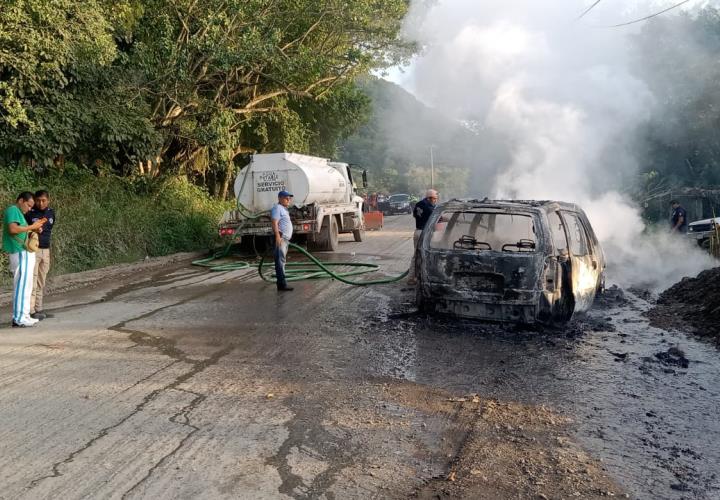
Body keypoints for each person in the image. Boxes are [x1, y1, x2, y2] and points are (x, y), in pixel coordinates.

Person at [2, 192, 45, 327]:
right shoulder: (13, 210)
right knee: (22, 285)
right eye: (28, 205)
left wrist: (35, 230)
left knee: (26, 285)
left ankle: (24, 315)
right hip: (21, 252)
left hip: (24, 252)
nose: (29, 209)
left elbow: (21, 230)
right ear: (21, 200)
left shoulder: (19, 213)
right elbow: (13, 229)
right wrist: (32, 227)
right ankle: (20, 317)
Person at [25, 190, 55, 320]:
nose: (40, 203)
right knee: (33, 281)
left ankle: (39, 309)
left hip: (46, 250)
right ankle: (31, 311)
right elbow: (24, 230)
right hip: (34, 250)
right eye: (38, 200)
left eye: (43, 200)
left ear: (48, 200)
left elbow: (50, 229)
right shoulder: (30, 213)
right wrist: (33, 228)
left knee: (41, 281)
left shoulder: (51, 212)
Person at [407, 189, 439, 285]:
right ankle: (412, 278)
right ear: (430, 198)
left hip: (418, 231)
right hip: (424, 233)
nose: (436, 201)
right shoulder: (429, 207)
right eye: (434, 199)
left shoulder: (419, 204)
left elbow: (415, 215)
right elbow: (437, 218)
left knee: (417, 255)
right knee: (421, 255)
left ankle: (414, 276)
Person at [271, 190, 294, 292]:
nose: (288, 200)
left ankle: (282, 284)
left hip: (285, 239)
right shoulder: (277, 208)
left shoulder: (283, 209)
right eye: (286, 198)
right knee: (280, 262)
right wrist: (277, 237)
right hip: (281, 238)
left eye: (289, 198)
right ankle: (282, 285)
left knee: (282, 261)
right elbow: (274, 223)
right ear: (280, 198)